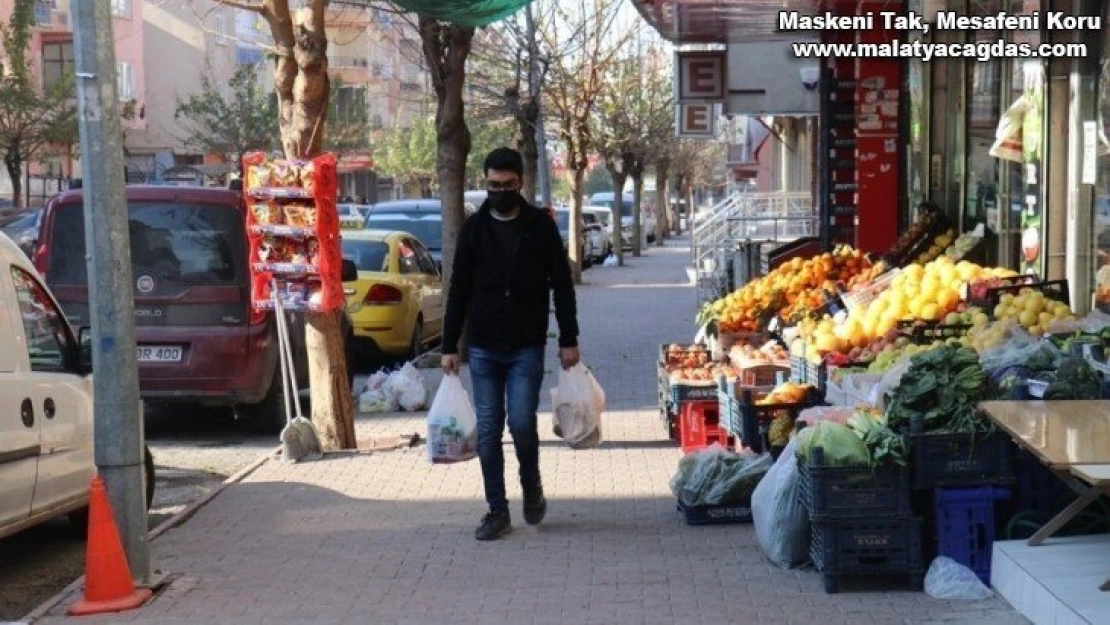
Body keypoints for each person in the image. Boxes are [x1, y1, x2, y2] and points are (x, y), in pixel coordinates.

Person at [441, 147, 580, 541]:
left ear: (520, 183)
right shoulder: (475, 229)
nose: (498, 191)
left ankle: (531, 482)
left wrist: (569, 338)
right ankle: (496, 509)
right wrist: (450, 344)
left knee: (520, 424)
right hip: (483, 346)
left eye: (506, 185)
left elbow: (562, 285)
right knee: (488, 430)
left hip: (525, 345)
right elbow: (459, 290)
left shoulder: (539, 226)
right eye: (491, 185)